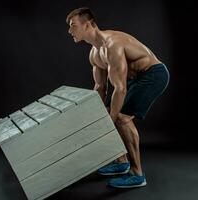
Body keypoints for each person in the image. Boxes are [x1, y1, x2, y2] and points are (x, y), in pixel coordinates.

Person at [66, 7, 169, 188]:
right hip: (131, 79)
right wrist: (96, 114)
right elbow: (100, 87)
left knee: (121, 118)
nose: (69, 31)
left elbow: (120, 89)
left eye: (73, 25)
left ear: (88, 24)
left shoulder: (112, 45)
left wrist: (111, 119)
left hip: (152, 75)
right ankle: (121, 162)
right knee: (106, 113)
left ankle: (137, 174)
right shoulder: (94, 54)